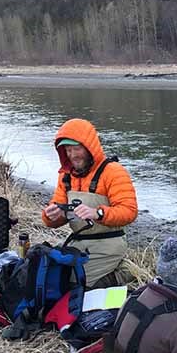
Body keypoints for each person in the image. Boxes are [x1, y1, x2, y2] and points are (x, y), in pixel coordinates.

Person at [41, 118, 138, 289]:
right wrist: (50, 216)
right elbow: (52, 218)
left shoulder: (113, 172)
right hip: (78, 242)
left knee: (78, 282)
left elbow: (129, 212)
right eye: (68, 150)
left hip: (109, 243)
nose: (72, 155)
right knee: (54, 274)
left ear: (90, 147)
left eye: (77, 149)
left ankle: (124, 273)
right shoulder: (66, 176)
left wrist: (98, 213)